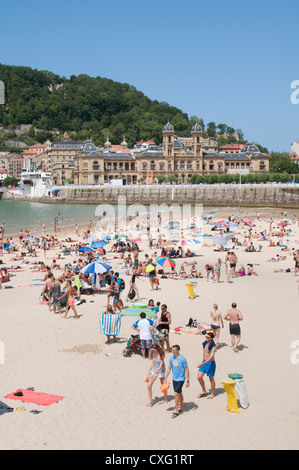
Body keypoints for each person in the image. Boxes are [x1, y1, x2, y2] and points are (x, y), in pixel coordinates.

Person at [164, 344, 190, 418]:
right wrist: (165, 378)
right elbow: (169, 368)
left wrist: (187, 381)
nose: (172, 351)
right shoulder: (171, 358)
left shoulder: (182, 359)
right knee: (179, 393)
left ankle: (176, 410)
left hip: (181, 379)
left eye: (174, 350)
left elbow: (187, 370)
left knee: (176, 393)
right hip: (174, 379)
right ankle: (182, 407)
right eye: (172, 350)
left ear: (178, 350)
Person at [197, 332, 217, 399]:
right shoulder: (205, 343)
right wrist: (202, 363)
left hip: (210, 363)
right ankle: (204, 391)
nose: (206, 338)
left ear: (211, 338)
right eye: (206, 337)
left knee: (211, 379)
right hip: (204, 362)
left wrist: (202, 364)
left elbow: (211, 357)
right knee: (199, 377)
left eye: (208, 337)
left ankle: (212, 394)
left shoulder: (213, 346)